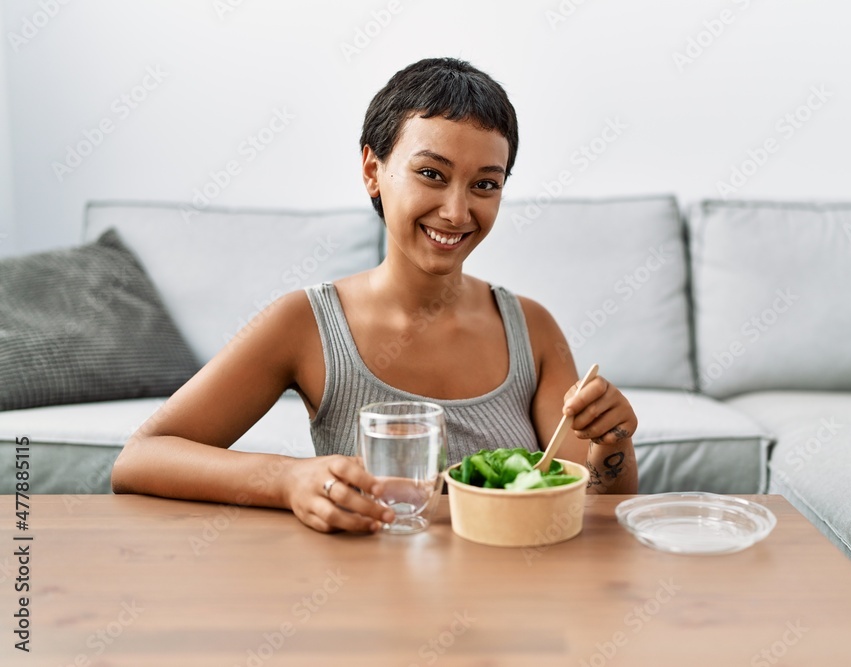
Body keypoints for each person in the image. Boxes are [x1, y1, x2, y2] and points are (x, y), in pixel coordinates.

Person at [111, 57, 639, 533]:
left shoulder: (532, 327)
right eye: (431, 174)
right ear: (372, 171)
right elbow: (140, 459)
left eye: (485, 184)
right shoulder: (308, 322)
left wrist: (611, 442)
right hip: (369, 605)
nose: (457, 212)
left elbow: (590, 503)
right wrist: (289, 480)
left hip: (510, 606)